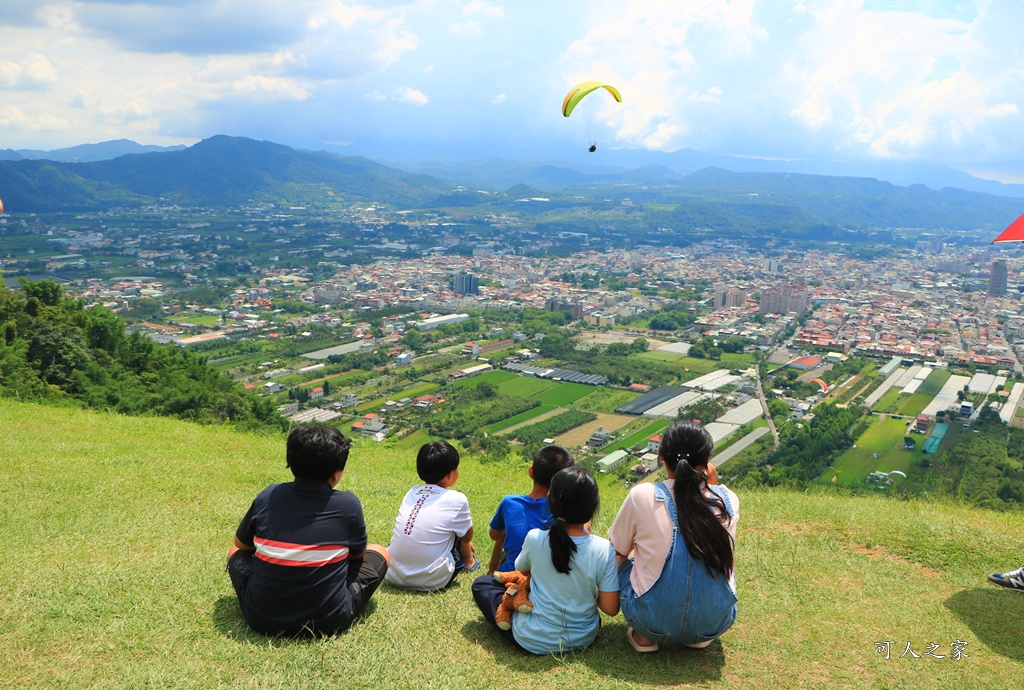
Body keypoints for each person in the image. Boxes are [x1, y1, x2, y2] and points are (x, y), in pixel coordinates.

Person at [227, 424, 390, 637]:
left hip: (261, 618)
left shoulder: (268, 496)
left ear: (291, 462)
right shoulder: (348, 504)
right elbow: (358, 555)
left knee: (233, 553)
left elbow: (241, 546)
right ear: (336, 473)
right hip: (329, 621)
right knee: (380, 551)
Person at [609, 420, 738, 652]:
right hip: (713, 625)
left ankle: (643, 637)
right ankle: (696, 634)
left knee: (625, 555)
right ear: (707, 461)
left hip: (650, 623)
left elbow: (617, 550)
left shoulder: (643, 495)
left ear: (661, 455)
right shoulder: (728, 500)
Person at [473, 466, 619, 654]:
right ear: (594, 506)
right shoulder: (604, 548)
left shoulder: (535, 538)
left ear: (551, 500)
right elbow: (610, 607)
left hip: (531, 638)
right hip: (583, 637)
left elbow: (523, 572)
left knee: (482, 584)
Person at [385, 441, 479, 591]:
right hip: (434, 579)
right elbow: (467, 536)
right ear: (450, 474)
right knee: (460, 532)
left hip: (393, 574)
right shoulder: (457, 499)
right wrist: (466, 551)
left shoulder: (412, 493)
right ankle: (470, 563)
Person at [484, 444, 575, 574]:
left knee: (502, 532)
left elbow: (494, 535)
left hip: (512, 575)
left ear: (531, 471)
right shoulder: (567, 511)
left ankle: (492, 572)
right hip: (549, 580)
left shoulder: (510, 503)